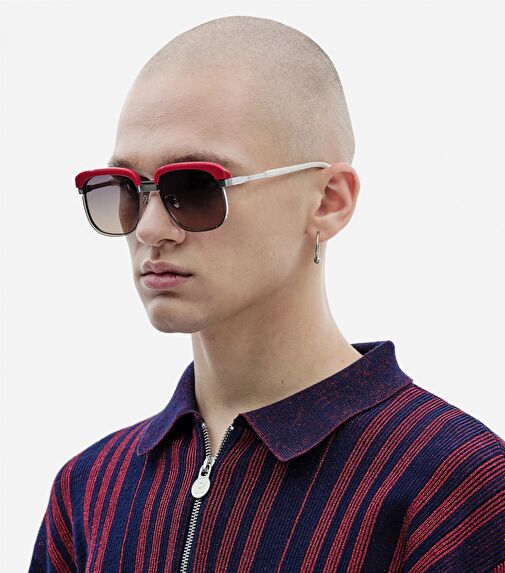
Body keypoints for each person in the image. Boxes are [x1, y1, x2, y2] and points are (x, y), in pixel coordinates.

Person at [28, 15, 505, 573]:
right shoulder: (89, 492)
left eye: (196, 186)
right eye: (126, 190)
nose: (151, 228)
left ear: (328, 200)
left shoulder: (455, 486)